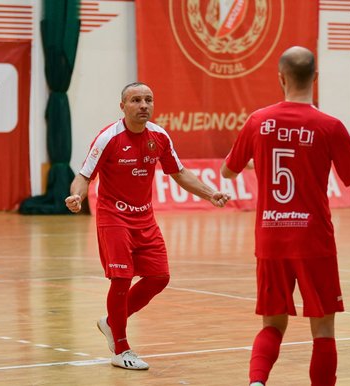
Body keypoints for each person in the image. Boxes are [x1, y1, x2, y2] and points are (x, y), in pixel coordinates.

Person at [220, 46, 350, 386]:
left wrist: (259, 163)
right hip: (314, 240)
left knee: (272, 324)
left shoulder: (257, 121)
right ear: (315, 78)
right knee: (323, 328)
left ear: (280, 77)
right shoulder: (329, 126)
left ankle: (256, 383)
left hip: (271, 238)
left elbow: (226, 171)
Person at [65, 82, 231, 370]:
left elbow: (178, 173)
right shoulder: (108, 138)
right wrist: (77, 196)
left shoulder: (160, 136)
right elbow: (84, 175)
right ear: (123, 107)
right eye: (136, 100)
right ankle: (120, 348)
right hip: (113, 217)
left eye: (148, 100)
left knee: (159, 277)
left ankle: (111, 322)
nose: (143, 105)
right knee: (121, 278)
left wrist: (210, 193)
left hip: (145, 217)